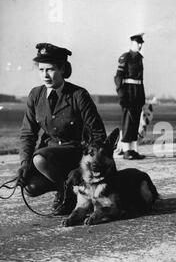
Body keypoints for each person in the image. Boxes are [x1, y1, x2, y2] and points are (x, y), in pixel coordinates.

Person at [18, 43, 107, 215]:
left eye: (50, 69)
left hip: (75, 154)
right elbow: (28, 134)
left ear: (62, 69)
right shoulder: (35, 95)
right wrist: (24, 165)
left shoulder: (78, 95)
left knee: (39, 160)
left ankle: (69, 192)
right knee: (29, 186)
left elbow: (98, 134)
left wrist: (85, 168)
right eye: (41, 69)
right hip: (51, 154)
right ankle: (69, 187)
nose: (45, 75)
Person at [114, 33, 147, 160]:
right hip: (128, 92)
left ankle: (133, 150)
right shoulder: (125, 57)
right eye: (138, 43)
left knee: (135, 121)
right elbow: (118, 77)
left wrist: (142, 96)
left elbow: (140, 79)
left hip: (137, 92)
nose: (140, 45)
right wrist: (122, 94)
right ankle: (127, 150)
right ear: (132, 43)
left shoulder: (139, 58)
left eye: (141, 43)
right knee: (128, 120)